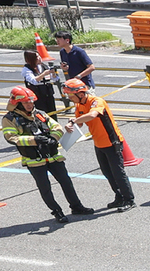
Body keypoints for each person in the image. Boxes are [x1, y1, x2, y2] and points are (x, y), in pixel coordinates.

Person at [2, 86, 93, 224]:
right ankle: (57, 212)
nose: (30, 105)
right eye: (26, 103)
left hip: (52, 156)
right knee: (45, 188)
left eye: (31, 102)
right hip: (34, 160)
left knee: (66, 182)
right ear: (17, 103)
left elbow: (56, 127)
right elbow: (11, 137)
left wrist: (53, 138)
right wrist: (35, 140)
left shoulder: (39, 113)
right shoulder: (9, 119)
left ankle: (77, 206)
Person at [65, 79, 135, 211]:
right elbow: (79, 123)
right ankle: (119, 196)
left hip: (111, 142)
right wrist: (71, 124)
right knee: (107, 172)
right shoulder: (79, 106)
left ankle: (129, 199)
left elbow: (92, 115)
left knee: (118, 172)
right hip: (98, 143)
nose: (69, 98)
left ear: (80, 94)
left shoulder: (96, 101)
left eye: (70, 95)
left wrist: (75, 120)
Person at [22, 50, 57, 115]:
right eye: (37, 57)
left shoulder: (44, 66)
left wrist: (53, 74)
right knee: (40, 114)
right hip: (37, 95)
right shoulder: (27, 69)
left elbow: (54, 79)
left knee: (52, 113)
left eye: (39, 56)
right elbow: (34, 81)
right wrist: (44, 74)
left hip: (48, 93)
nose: (39, 58)